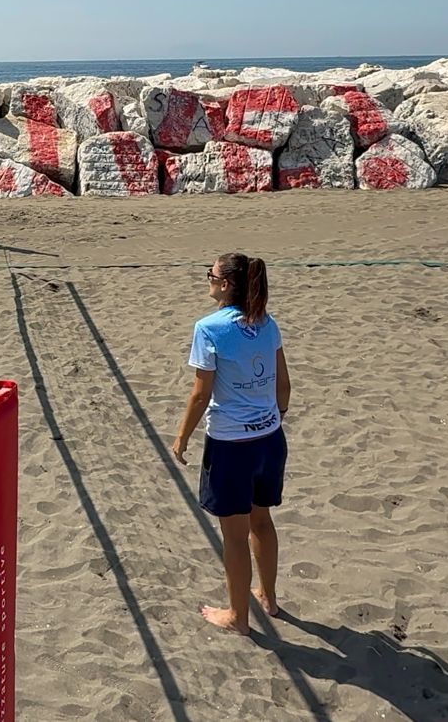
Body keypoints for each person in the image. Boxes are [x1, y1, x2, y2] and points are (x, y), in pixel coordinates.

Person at [171, 253, 293, 635]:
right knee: (262, 521)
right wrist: (273, 419)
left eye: (210, 274)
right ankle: (268, 597)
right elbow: (283, 385)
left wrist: (181, 439)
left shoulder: (208, 328)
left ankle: (238, 617)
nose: (206, 279)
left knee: (235, 537)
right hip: (270, 439)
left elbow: (200, 393)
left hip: (232, 445)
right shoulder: (266, 322)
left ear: (225, 284)